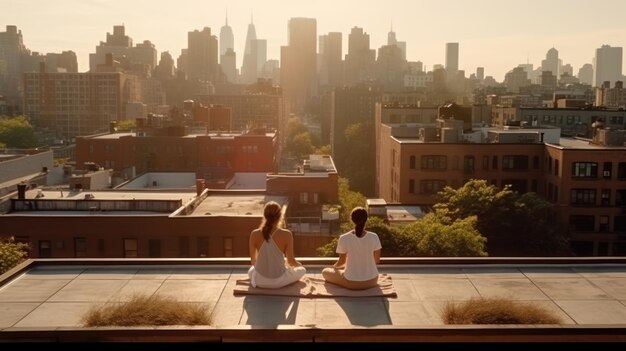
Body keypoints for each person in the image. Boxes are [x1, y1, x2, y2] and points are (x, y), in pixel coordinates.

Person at [248, 201, 306, 288]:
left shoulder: (254, 234)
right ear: (280, 216)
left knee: (251, 270)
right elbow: (291, 261)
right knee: (302, 270)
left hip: (259, 281)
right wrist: (299, 265)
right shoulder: (287, 234)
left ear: (264, 215)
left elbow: (253, 261)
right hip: (279, 282)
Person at [322, 207, 381, 290]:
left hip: (351, 282)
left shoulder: (344, 238)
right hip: (372, 281)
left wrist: (334, 267)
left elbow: (342, 262)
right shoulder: (374, 236)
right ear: (366, 219)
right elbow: (377, 260)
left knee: (325, 272)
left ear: (352, 220)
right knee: (342, 271)